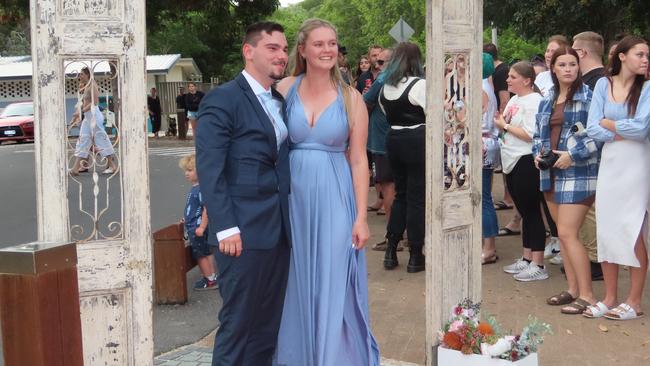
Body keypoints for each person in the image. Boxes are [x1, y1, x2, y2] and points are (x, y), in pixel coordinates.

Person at [274, 18, 379, 365]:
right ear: (302, 49)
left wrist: (362, 217)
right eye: (318, 43)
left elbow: (359, 160)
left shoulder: (352, 99)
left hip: (336, 197)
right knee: (296, 281)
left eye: (332, 43)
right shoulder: (284, 89)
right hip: (291, 199)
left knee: (334, 278)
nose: (327, 50)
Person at [195, 21, 292, 365]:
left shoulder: (277, 99)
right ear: (248, 52)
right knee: (238, 325)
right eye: (272, 48)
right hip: (241, 233)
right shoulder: (223, 99)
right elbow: (210, 169)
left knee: (266, 326)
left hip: (277, 230)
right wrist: (226, 227)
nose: (281, 55)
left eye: (283, 48)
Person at [586, 35, 650, 320]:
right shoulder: (603, 83)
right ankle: (610, 297)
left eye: (647, 55)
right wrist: (622, 129)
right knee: (607, 228)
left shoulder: (647, 88)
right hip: (610, 162)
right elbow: (591, 127)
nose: (645, 60)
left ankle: (634, 301)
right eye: (640, 54)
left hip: (637, 164)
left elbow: (642, 130)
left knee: (632, 228)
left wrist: (610, 124)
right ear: (622, 56)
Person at [532, 46, 599, 314]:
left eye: (573, 64)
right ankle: (572, 290)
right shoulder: (547, 98)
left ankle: (588, 296)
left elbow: (597, 136)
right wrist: (538, 155)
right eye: (563, 65)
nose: (568, 69)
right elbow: (538, 133)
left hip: (579, 173)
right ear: (554, 69)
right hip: (550, 172)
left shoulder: (589, 97)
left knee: (570, 234)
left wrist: (573, 154)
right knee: (562, 234)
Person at [493, 61, 547, 281]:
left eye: (513, 77)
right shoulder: (515, 99)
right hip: (511, 158)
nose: (507, 80)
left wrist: (503, 126)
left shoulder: (534, 101)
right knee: (524, 211)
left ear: (527, 80)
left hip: (525, 159)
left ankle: (538, 263)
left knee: (532, 211)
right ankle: (526, 258)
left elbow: (530, 133)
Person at [378, 42, 427, 273]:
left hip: (394, 140)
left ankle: (391, 248)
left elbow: (386, 113)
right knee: (417, 198)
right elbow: (434, 114)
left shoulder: (386, 86)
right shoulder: (420, 85)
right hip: (417, 140)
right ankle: (415, 254)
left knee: (401, 196)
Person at [572, 31, 607, 282]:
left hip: (597, 154)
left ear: (582, 53)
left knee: (592, 209)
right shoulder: (601, 80)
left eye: (573, 51)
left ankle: (594, 260)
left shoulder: (598, 83)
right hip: (590, 152)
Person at [363, 48, 398, 251]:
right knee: (404, 189)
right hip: (404, 139)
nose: (378, 66)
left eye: (381, 62)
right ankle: (407, 235)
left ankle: (393, 235)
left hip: (383, 142)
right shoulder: (413, 77)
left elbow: (365, 102)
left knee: (388, 188)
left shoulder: (384, 78)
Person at [69, 67, 118, 175]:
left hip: (94, 116)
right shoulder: (86, 86)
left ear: (87, 75)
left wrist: (80, 112)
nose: (80, 76)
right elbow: (84, 102)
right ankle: (75, 168)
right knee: (83, 140)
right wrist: (78, 113)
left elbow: (94, 103)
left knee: (101, 140)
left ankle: (112, 165)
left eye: (82, 74)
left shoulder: (93, 85)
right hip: (87, 117)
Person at [179, 154, 218, 290]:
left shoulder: (200, 189)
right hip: (194, 225)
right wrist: (187, 217)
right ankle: (212, 276)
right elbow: (194, 208)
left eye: (190, 170)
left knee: (201, 254)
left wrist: (202, 226)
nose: (186, 173)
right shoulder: (197, 187)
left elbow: (206, 208)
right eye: (186, 170)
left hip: (197, 228)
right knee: (206, 252)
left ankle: (209, 279)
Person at [481, 52, 500, 265]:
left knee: (483, 198)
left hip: (482, 144)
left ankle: (489, 247)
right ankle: (488, 244)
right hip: (486, 143)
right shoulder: (488, 86)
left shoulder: (481, 88)